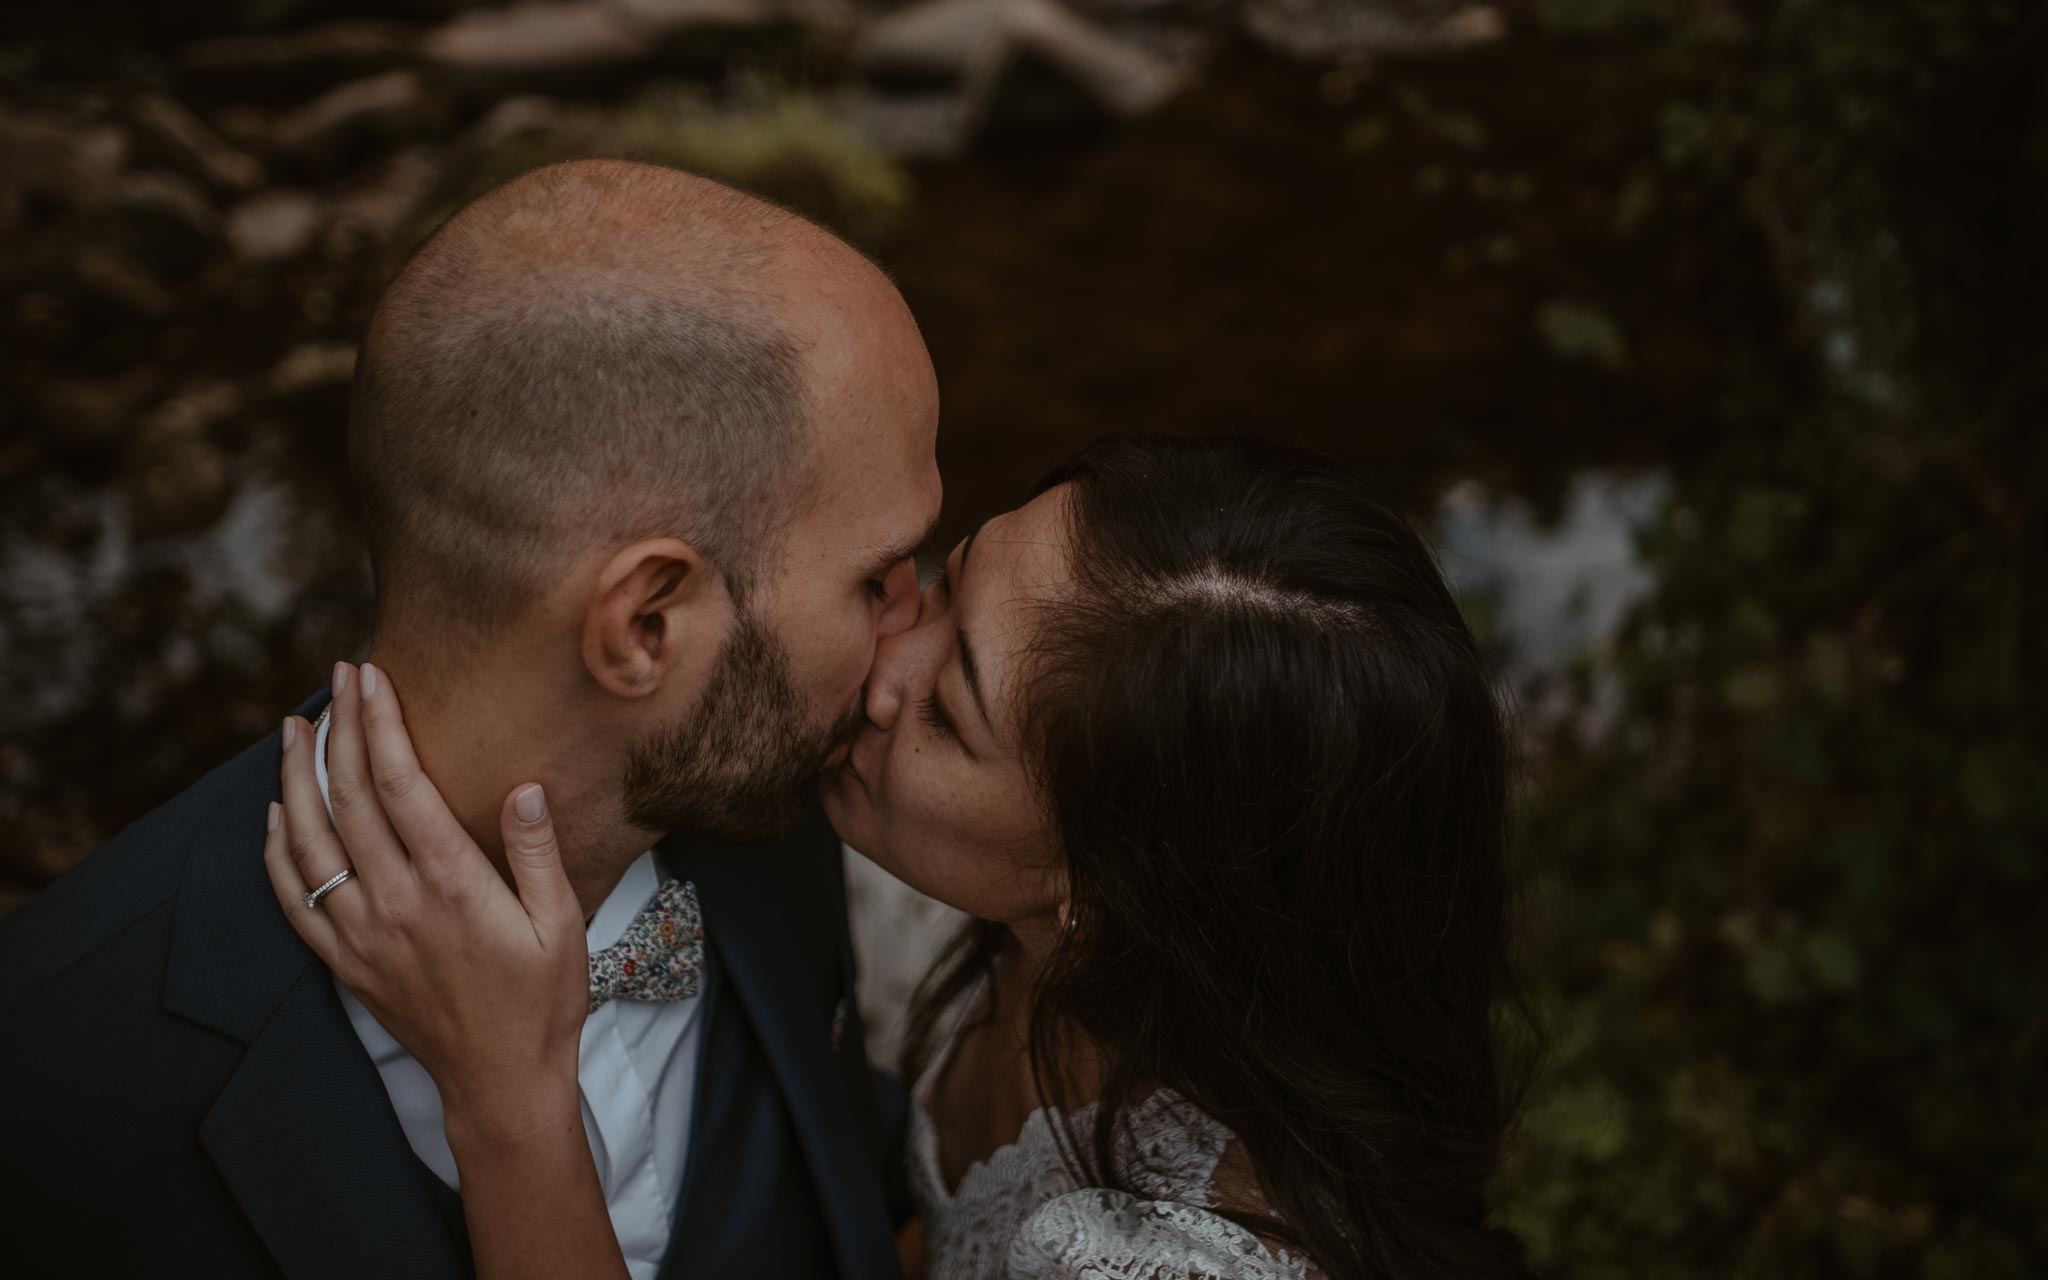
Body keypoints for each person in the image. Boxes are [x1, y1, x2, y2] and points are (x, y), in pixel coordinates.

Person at [271, 434, 1539, 1280]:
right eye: (941, 578)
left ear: (1108, 885)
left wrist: (507, 1093)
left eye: (948, 711)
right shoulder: (1046, 930)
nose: (881, 661)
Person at [0, 159, 941, 1279]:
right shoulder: (49, 1080)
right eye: (875, 577)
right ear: (644, 623)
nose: (910, 633)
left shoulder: (779, 806)